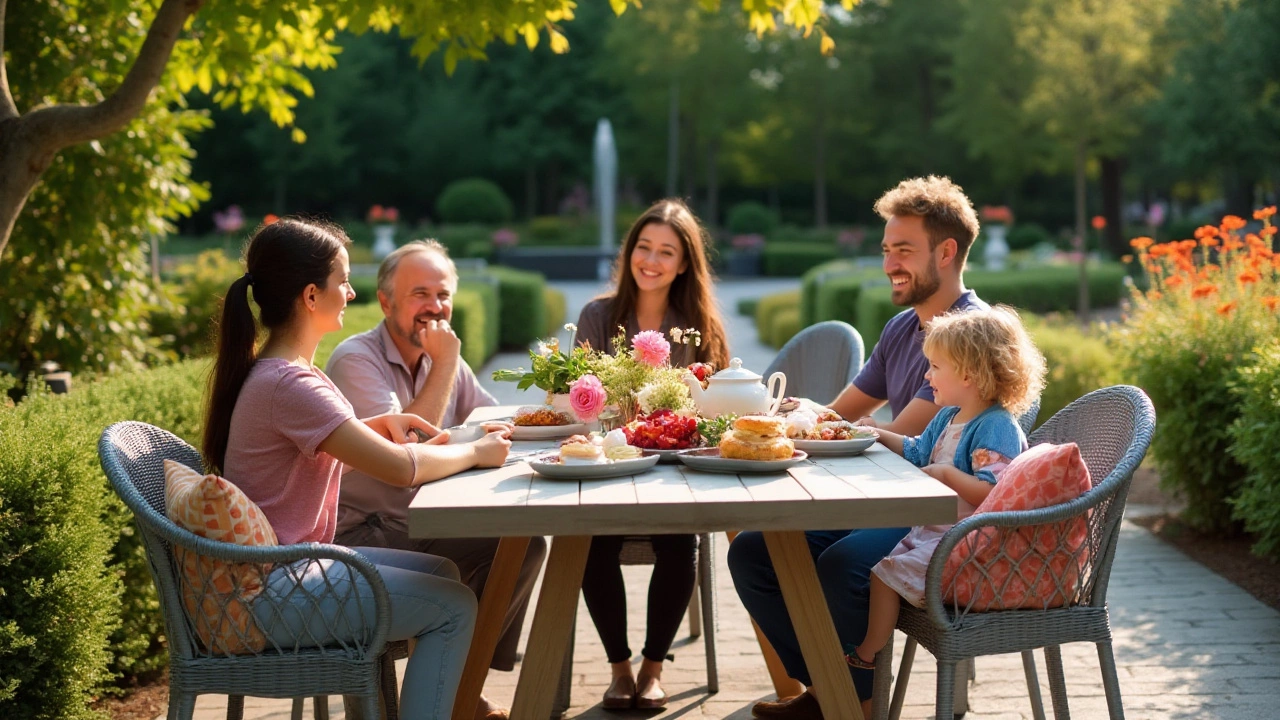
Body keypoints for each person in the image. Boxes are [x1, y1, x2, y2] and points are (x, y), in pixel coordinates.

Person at [203, 217, 514, 720]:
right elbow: (399, 469)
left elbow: (315, 449)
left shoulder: (288, 375)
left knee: (444, 574)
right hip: (271, 594)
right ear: (310, 296)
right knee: (451, 608)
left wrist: (373, 424)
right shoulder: (291, 384)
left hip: (288, 571)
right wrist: (475, 452)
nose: (350, 292)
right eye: (342, 281)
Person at [729, 176, 991, 719]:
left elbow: (912, 437)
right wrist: (790, 416)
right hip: (889, 495)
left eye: (904, 250)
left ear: (946, 252)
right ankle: (832, 691)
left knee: (845, 564)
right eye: (886, 250)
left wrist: (830, 427)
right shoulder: (902, 328)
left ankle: (858, 708)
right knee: (754, 551)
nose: (890, 263)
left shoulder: (970, 338)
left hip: (940, 512)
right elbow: (842, 415)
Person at [325, 240, 547, 714]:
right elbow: (407, 448)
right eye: (420, 294)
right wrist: (445, 362)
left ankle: (461, 688)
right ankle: (455, 696)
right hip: (368, 530)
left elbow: (494, 413)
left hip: (426, 520)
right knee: (505, 552)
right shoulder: (356, 359)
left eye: (443, 295)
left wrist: (554, 419)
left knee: (523, 546)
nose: (435, 308)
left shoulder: (437, 356)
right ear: (385, 302)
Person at [574, 198, 730, 709]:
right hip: (609, 462)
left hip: (674, 465)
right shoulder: (598, 315)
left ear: (684, 263)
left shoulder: (698, 322)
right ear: (629, 251)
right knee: (591, 543)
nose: (652, 261)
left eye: (667, 252)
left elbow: (715, 402)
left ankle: (653, 667)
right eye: (644, 247)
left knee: (678, 539)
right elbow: (581, 399)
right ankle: (618, 669)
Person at [842, 307, 1045, 670]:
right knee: (877, 570)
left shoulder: (996, 427)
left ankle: (869, 654)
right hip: (934, 532)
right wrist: (878, 434)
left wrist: (948, 475)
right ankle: (872, 651)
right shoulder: (948, 416)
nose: (926, 374)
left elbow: (993, 493)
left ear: (969, 374)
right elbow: (919, 452)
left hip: (970, 542)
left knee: (884, 576)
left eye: (936, 366)